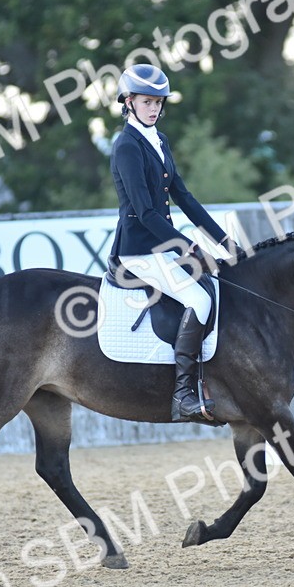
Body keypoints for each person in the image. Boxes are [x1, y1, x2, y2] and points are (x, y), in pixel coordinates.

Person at [108, 63, 231, 423]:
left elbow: (184, 196)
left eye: (158, 103)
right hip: (138, 250)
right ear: (128, 102)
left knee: (217, 284)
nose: (154, 109)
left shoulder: (159, 140)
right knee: (198, 298)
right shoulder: (127, 147)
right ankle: (183, 396)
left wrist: (223, 240)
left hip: (162, 245)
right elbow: (146, 213)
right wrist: (188, 248)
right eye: (146, 102)